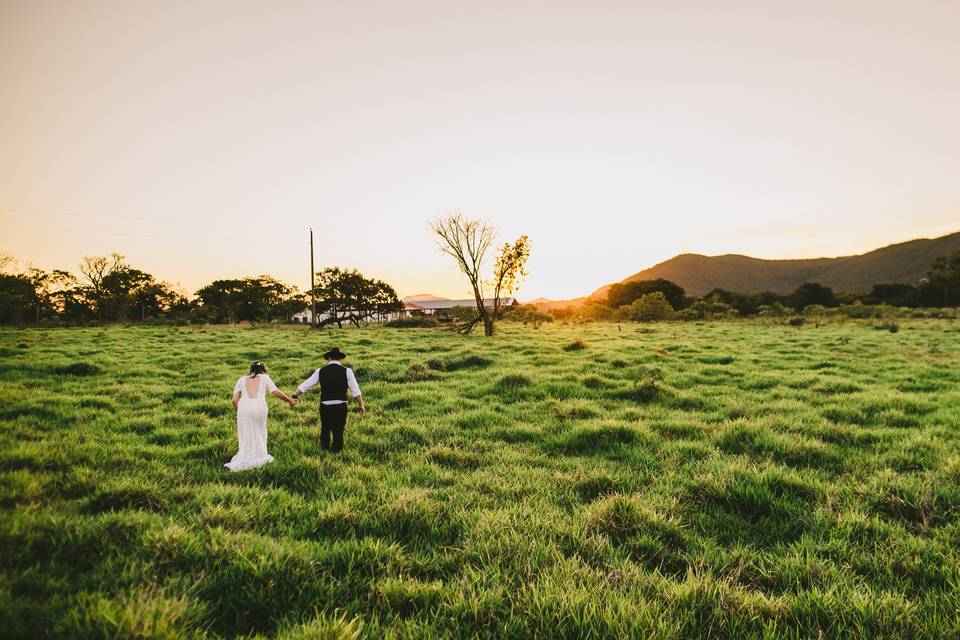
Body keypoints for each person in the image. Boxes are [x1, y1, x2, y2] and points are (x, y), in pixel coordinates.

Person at [291, 347, 365, 453]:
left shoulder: (320, 371)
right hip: (340, 405)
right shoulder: (347, 371)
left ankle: (324, 449)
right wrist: (361, 404)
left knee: (325, 428)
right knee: (338, 430)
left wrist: (295, 395)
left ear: (329, 358)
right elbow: (355, 390)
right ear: (340, 359)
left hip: (325, 405)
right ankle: (336, 451)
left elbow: (307, 384)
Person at [225, 361, 296, 471]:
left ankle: (246, 455)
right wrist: (289, 400)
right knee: (260, 430)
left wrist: (240, 412)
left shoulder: (241, 379)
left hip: (244, 407)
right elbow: (275, 392)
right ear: (263, 370)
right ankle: (259, 455)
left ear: (251, 370)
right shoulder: (265, 378)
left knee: (246, 432)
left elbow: (234, 401)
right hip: (259, 406)